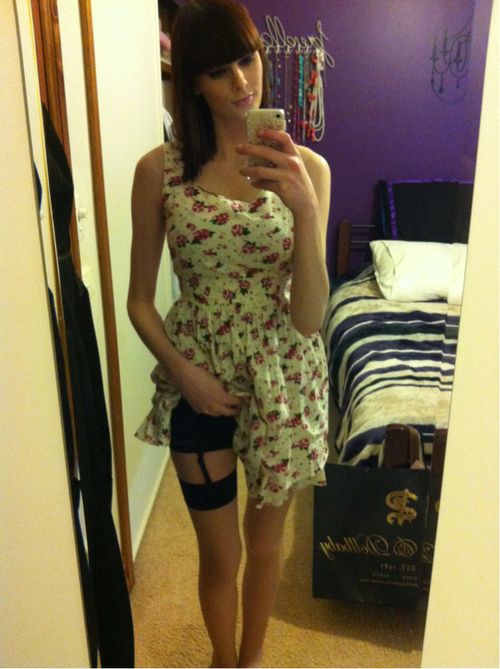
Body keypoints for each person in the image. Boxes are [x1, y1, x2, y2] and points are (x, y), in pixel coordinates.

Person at [127, 1, 331, 666]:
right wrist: (184, 375)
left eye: (247, 59)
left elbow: (309, 317)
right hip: (199, 380)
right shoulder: (160, 171)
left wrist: (304, 210)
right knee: (220, 553)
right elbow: (138, 302)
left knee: (266, 546)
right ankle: (222, 659)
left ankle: (252, 659)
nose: (242, 81)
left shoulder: (310, 172)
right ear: (193, 81)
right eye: (219, 70)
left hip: (283, 383)